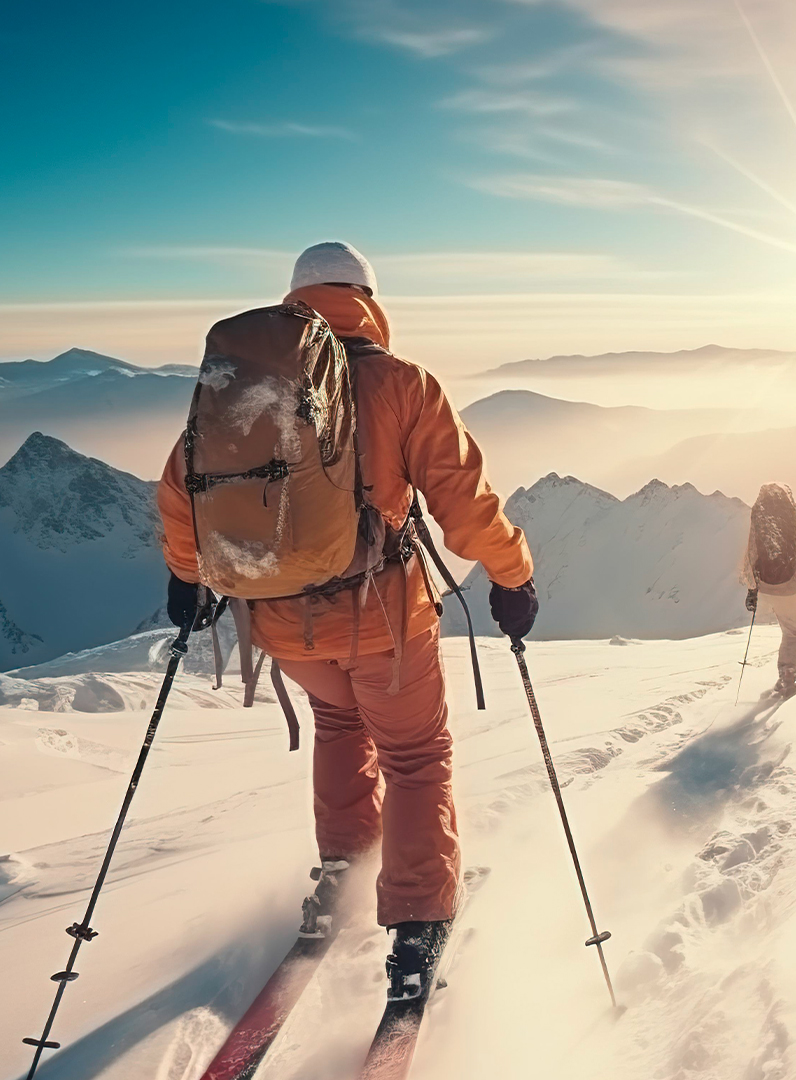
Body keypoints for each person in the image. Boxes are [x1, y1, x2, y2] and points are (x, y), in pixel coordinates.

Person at [157, 241, 537, 996]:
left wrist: (187, 579)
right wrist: (512, 574)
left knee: (339, 728)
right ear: (370, 299)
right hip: (383, 625)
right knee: (416, 756)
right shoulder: (402, 384)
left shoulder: (245, 384)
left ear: (295, 298)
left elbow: (181, 488)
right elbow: (463, 502)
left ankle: (343, 868)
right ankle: (417, 918)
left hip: (277, 625)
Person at [740, 483, 796, 693]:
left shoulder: (760, 525)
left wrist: (751, 588)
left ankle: (786, 670)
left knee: (787, 628)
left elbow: (750, 556)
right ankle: (788, 675)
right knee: (792, 632)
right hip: (789, 583)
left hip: (767, 586)